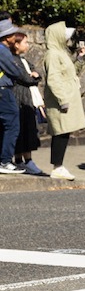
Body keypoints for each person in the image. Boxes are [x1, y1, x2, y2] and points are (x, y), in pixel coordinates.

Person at [41, 21, 83, 181]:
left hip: (65, 98)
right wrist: (63, 100)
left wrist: (79, 59)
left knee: (64, 132)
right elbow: (53, 79)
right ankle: (57, 167)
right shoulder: (53, 54)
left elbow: (69, 73)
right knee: (61, 132)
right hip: (61, 101)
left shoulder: (60, 52)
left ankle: (59, 166)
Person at [0, 18, 33, 176]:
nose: (15, 36)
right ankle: (5, 161)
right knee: (12, 125)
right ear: (7, 37)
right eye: (12, 34)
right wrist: (24, 74)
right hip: (3, 90)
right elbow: (15, 71)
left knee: (5, 125)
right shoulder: (2, 50)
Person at [12, 31, 45, 175]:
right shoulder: (13, 60)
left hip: (26, 98)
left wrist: (35, 76)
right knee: (22, 129)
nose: (27, 45)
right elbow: (26, 77)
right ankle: (23, 160)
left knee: (27, 129)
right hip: (19, 98)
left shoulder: (23, 60)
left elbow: (36, 74)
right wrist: (33, 77)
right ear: (16, 44)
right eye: (25, 42)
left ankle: (24, 160)